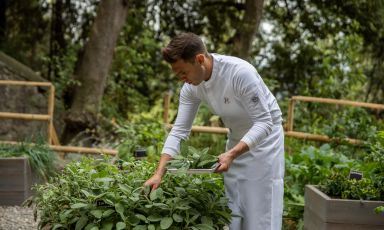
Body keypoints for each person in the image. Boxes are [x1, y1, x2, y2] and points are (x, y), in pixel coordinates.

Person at [144, 32, 285, 230]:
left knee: (260, 211)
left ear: (199, 59)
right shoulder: (190, 87)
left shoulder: (240, 73)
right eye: (177, 75)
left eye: (183, 72)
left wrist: (232, 154)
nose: (182, 79)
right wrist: (159, 173)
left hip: (265, 143)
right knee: (233, 210)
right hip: (236, 139)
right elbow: (179, 131)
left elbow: (264, 121)